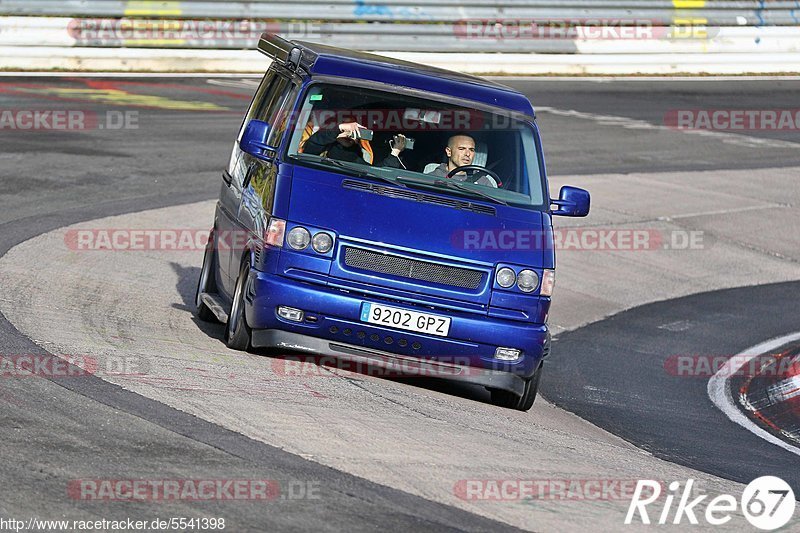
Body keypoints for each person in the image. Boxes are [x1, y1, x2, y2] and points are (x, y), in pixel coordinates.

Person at [302, 121, 404, 169]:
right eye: (349, 131)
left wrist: (395, 152)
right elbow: (314, 143)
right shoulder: (323, 147)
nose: (351, 135)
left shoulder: (352, 156)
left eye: (356, 133)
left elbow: (376, 174)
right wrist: (339, 128)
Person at [424, 134, 497, 187]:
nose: (468, 154)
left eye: (471, 150)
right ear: (449, 152)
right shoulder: (433, 176)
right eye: (462, 149)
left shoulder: (483, 181)